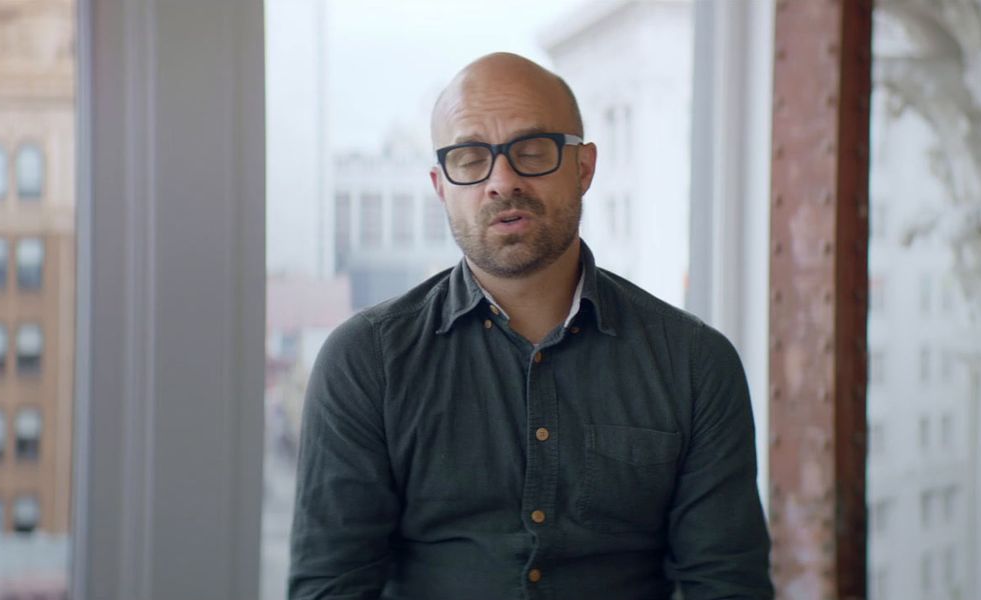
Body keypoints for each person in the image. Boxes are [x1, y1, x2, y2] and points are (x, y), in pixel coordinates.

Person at [289, 52, 772, 599]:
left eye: (532, 151)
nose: (502, 180)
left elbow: (728, 586)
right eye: (470, 158)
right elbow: (330, 587)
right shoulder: (366, 361)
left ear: (584, 168)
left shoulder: (693, 363)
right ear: (441, 185)